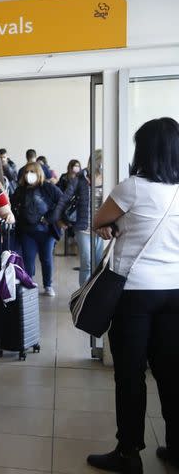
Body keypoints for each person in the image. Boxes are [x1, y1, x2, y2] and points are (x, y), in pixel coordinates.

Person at [86, 118, 179, 474]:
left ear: (145, 150)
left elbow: (99, 221)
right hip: (175, 292)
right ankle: (175, 446)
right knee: (172, 372)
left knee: (130, 374)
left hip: (136, 293)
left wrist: (112, 226)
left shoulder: (133, 188)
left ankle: (128, 453)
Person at [10, 161, 64, 296]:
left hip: (46, 232)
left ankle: (48, 285)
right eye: (27, 172)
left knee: (46, 259)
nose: (29, 175)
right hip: (27, 231)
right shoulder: (20, 189)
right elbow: (12, 205)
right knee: (28, 259)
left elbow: (61, 202)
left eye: (32, 172)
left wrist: (50, 218)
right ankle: (29, 284)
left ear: (39, 173)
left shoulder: (48, 188)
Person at [53, 156, 104, 287]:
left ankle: (96, 293)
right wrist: (57, 219)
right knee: (86, 263)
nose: (101, 165)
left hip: (102, 228)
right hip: (83, 227)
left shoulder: (109, 177)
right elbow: (64, 198)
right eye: (99, 162)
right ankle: (83, 295)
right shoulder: (80, 178)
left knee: (99, 264)